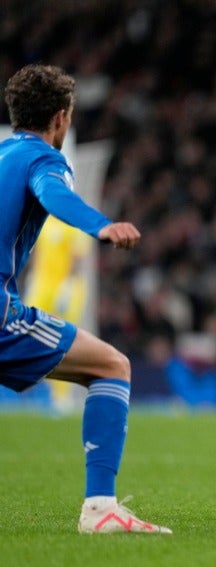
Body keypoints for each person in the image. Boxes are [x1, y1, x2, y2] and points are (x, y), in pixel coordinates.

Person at [0, 64, 171, 534]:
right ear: (60, 118)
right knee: (111, 366)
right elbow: (53, 194)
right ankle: (100, 510)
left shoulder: (1, 155)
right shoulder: (43, 159)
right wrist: (101, 225)